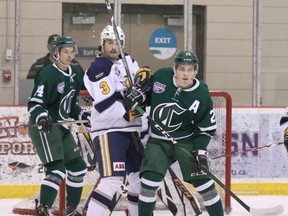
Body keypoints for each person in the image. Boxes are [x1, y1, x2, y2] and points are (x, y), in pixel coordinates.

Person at [126, 49, 224, 216]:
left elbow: (206, 128)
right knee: (148, 183)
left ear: (195, 71)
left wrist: (200, 149)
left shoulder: (201, 94)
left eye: (190, 69)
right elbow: (144, 98)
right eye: (181, 69)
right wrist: (135, 98)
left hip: (186, 143)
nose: (185, 74)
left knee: (204, 184)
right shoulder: (161, 77)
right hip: (158, 142)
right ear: (174, 69)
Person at [83, 25, 152, 216]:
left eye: (117, 42)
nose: (114, 47)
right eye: (110, 42)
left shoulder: (130, 63)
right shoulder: (99, 67)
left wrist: (143, 96)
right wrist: (132, 107)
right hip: (110, 131)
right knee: (112, 181)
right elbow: (106, 105)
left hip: (132, 132)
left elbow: (141, 93)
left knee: (140, 182)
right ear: (102, 44)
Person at [28, 36, 91, 216]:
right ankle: (43, 208)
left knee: (78, 167)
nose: (70, 55)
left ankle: (71, 208)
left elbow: (70, 105)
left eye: (72, 52)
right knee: (56, 169)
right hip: (44, 128)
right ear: (56, 53)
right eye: (66, 52)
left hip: (62, 127)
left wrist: (81, 114)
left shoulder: (76, 73)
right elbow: (35, 102)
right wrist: (41, 117)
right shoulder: (48, 73)